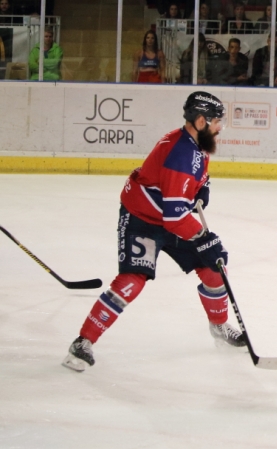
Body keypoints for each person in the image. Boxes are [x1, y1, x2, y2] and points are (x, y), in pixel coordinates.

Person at [62, 91, 245, 373]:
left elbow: (194, 180)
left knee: (214, 271)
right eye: (216, 121)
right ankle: (83, 341)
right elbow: (175, 219)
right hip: (142, 220)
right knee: (132, 280)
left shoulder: (195, 142)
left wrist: (203, 187)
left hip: (171, 217)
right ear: (200, 120)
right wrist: (205, 239)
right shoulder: (181, 154)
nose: (220, 127)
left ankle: (219, 326)